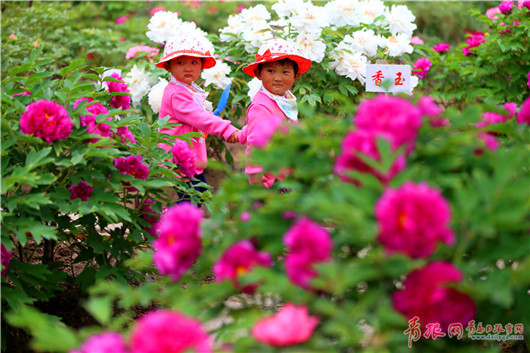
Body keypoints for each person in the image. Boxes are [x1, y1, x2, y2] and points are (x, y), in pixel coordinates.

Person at [156, 35, 239, 203]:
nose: (188, 68)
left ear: (201, 65)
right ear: (168, 67)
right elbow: (198, 117)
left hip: (188, 156)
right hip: (179, 158)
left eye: (194, 62)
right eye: (181, 63)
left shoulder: (186, 89)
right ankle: (169, 226)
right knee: (192, 200)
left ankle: (172, 224)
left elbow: (196, 117)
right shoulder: (177, 94)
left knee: (197, 196)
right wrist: (226, 129)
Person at [238, 38, 311, 188]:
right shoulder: (261, 106)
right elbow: (254, 143)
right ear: (259, 74)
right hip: (270, 178)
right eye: (270, 71)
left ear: (296, 76)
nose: (278, 78)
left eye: (285, 72)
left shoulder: (285, 99)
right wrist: (256, 175)